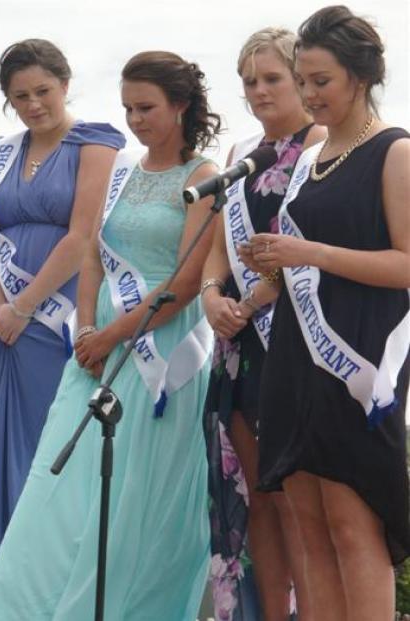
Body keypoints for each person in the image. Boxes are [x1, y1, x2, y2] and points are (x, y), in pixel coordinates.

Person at [0, 50, 222, 620]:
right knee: (61, 487)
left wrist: (111, 333)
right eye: (128, 108)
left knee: (140, 491)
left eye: (147, 107)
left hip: (159, 352)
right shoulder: (125, 171)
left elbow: (185, 282)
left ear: (181, 106)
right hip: (95, 349)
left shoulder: (204, 176)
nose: (136, 120)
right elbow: (91, 249)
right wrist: (86, 326)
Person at [239, 6, 409, 619]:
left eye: (320, 81)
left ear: (359, 77)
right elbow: (304, 261)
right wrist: (272, 262)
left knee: (351, 523)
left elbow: (406, 263)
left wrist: (310, 252)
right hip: (294, 354)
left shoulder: (395, 151)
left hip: (354, 355)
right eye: (302, 81)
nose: (308, 95)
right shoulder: (311, 159)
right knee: (305, 522)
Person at [0, 39, 124, 593]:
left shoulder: (96, 143)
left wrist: (25, 307)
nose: (34, 105)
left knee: (50, 446)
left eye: (43, 92)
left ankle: (50, 584)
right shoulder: (0, 152)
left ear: (65, 82)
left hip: (56, 317)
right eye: (20, 96)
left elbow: (84, 234)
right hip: (0, 323)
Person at [200, 28, 324, 621]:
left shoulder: (321, 144)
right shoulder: (241, 153)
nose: (258, 90)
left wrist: (251, 303)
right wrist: (209, 294)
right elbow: (222, 241)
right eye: (249, 80)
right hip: (238, 337)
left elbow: (313, 246)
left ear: (301, 78)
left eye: (271, 78)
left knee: (296, 496)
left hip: (298, 333)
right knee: (259, 498)